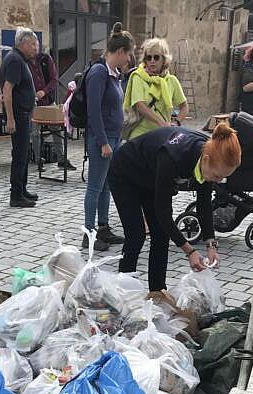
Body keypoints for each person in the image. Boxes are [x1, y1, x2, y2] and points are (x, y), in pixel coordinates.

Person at [108, 123, 241, 301]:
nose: (219, 180)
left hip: (149, 176)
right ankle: (123, 292)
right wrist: (189, 251)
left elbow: (204, 205)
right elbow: (163, 213)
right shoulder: (174, 157)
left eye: (223, 177)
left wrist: (211, 244)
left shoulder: (210, 156)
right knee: (136, 235)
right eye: (217, 176)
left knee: (161, 235)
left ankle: (158, 293)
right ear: (206, 159)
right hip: (125, 172)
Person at [82, 22, 135, 252]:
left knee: (106, 186)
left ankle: (103, 227)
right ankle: (89, 233)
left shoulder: (114, 74)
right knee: (95, 187)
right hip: (100, 139)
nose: (130, 59)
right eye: (129, 54)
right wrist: (103, 141)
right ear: (121, 51)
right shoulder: (98, 73)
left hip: (114, 137)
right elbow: (93, 111)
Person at [0, 28, 39, 209]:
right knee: (19, 155)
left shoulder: (17, 59)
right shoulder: (15, 60)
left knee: (23, 154)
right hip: (19, 116)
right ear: (22, 43)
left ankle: (22, 189)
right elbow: (7, 90)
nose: (35, 47)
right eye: (32, 43)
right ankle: (16, 195)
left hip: (23, 115)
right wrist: (11, 119)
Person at [122, 37, 188, 141]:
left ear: (164, 60)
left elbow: (184, 106)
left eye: (156, 57)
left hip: (163, 136)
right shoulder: (138, 77)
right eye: (149, 58)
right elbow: (140, 105)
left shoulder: (171, 80)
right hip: (140, 135)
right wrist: (161, 123)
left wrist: (177, 122)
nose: (152, 61)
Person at [28, 43, 75, 171]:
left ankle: (61, 159)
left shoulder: (46, 59)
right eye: (33, 46)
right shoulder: (24, 62)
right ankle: (38, 160)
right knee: (35, 132)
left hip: (48, 100)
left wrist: (44, 91)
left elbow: (54, 79)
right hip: (33, 103)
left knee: (57, 129)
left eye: (36, 46)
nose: (35, 49)